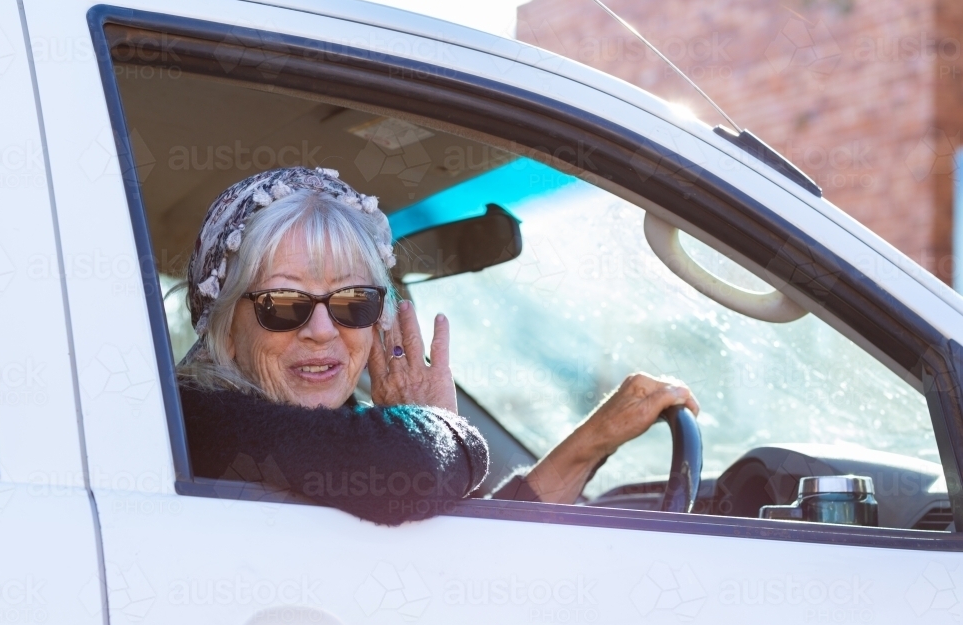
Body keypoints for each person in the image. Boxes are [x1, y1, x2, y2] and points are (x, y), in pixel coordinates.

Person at [177, 166, 699, 525]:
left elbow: (472, 553)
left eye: (353, 302)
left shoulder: (327, 432)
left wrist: (594, 439)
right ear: (224, 322)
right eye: (284, 303)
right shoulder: (191, 418)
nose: (321, 330)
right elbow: (412, 469)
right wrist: (428, 424)